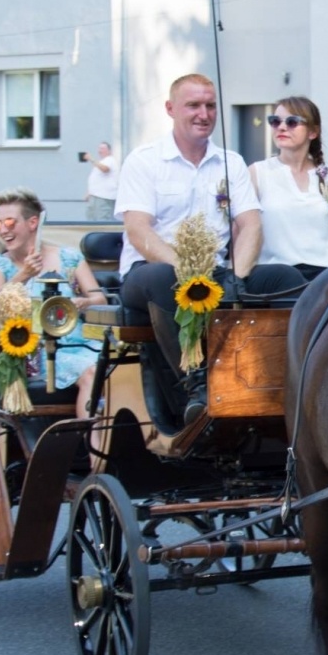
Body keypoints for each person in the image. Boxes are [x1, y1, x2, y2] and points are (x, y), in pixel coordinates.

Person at [116, 73, 305, 424]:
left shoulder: (230, 162)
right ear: (171, 109)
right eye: (193, 105)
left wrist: (238, 275)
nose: (204, 114)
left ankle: (290, 380)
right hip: (149, 273)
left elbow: (251, 225)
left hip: (215, 272)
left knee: (286, 278)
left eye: (210, 106)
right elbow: (138, 229)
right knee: (165, 278)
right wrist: (185, 270)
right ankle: (197, 385)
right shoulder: (144, 160)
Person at [0, 188, 107, 420]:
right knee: (92, 372)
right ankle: (96, 454)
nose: (4, 230)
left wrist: (83, 302)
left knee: (124, 366)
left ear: (33, 222)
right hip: (40, 350)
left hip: (85, 341)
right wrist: (23, 275)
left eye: (10, 222)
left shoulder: (68, 257)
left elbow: (100, 299)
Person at [248, 96, 328, 279]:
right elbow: (243, 231)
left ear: (313, 132)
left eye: (292, 122)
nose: (282, 127)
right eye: (275, 121)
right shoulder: (258, 173)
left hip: (327, 275)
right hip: (278, 278)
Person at [84, 142, 119, 220]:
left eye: (102, 148)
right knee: (92, 218)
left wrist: (91, 159)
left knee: (102, 218)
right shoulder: (102, 162)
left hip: (104, 197)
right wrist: (89, 192)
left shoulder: (110, 160)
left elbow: (105, 169)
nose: (100, 150)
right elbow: (97, 179)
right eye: (99, 148)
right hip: (95, 196)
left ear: (109, 151)